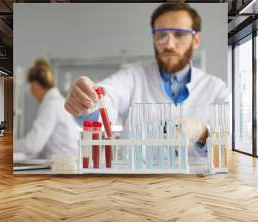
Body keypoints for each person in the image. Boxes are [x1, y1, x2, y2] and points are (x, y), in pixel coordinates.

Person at [64, 3, 230, 149]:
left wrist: (201, 132)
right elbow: (109, 95)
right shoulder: (133, 77)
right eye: (161, 35)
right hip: (138, 183)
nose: (169, 44)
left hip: (196, 183)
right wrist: (88, 100)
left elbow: (229, 145)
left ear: (196, 40)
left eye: (179, 34)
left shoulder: (216, 88)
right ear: (154, 38)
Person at [22, 58, 79, 160]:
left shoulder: (51, 105)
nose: (30, 90)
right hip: (65, 162)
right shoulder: (59, 101)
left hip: (62, 166)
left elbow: (33, 145)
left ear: (35, 85)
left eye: (30, 86)